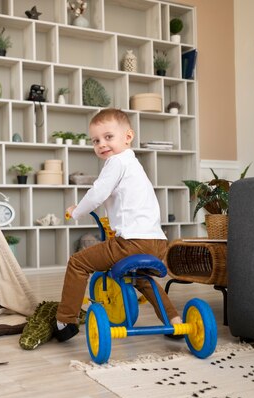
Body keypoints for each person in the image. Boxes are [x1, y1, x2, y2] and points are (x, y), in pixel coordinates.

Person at [54, 108, 182, 342]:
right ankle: (174, 320)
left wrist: (77, 211)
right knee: (141, 279)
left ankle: (65, 320)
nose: (102, 144)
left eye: (108, 137)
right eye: (95, 141)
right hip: (158, 242)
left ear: (128, 136)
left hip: (132, 242)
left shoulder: (115, 163)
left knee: (78, 263)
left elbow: (97, 194)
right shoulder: (133, 164)